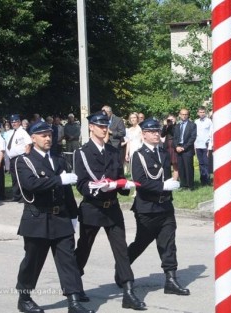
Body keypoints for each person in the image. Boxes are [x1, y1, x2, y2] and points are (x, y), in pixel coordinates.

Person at [14, 121, 94, 313]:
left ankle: (74, 301)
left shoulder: (58, 159)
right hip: (37, 218)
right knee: (33, 261)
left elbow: (66, 192)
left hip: (60, 217)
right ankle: (24, 298)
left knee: (68, 261)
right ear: (33, 138)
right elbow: (31, 184)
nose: (48, 138)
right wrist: (58, 179)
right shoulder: (24, 161)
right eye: (43, 135)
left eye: (49, 134)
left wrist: (73, 215)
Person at [74, 113, 146, 310]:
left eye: (105, 125)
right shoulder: (82, 152)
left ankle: (128, 291)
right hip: (92, 207)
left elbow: (119, 177)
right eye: (99, 125)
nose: (103, 129)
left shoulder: (113, 152)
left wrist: (125, 185)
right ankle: (74, 285)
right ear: (91, 128)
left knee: (121, 250)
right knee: (84, 248)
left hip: (112, 208)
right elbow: (81, 183)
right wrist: (97, 188)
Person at [128, 117, 190, 296]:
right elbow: (140, 181)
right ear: (144, 134)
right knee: (141, 242)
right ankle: (123, 267)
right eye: (152, 131)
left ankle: (171, 280)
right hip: (147, 207)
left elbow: (166, 176)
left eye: (158, 131)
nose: (157, 134)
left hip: (165, 207)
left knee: (168, 243)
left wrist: (170, 186)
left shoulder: (162, 153)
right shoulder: (138, 155)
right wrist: (162, 186)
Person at [6, 114, 32, 202]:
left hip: (20, 157)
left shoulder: (22, 132)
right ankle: (16, 195)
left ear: (19, 122)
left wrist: (25, 156)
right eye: (12, 122)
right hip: (12, 158)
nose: (13, 123)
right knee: (14, 178)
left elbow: (29, 143)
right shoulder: (11, 132)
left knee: (20, 177)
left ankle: (23, 196)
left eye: (15, 121)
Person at [173, 108, 197, 189]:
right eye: (182, 114)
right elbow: (175, 138)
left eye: (185, 114)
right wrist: (176, 146)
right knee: (181, 167)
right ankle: (183, 185)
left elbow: (192, 138)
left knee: (188, 168)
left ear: (188, 115)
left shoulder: (192, 125)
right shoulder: (177, 126)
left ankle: (190, 185)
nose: (184, 116)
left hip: (187, 150)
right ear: (180, 115)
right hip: (178, 149)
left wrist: (184, 147)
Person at [194, 106, 213, 186]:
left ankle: (207, 179)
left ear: (205, 113)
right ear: (198, 113)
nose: (202, 114)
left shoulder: (209, 121)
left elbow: (211, 134)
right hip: (198, 145)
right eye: (200, 112)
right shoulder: (196, 122)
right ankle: (202, 179)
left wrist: (210, 147)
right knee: (201, 163)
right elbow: (195, 134)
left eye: (203, 112)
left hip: (206, 145)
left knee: (206, 163)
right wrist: (194, 146)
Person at [160, 114, 179, 180]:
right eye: (169, 120)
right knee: (167, 163)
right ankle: (169, 179)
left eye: (172, 119)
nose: (170, 121)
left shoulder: (177, 126)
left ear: (175, 119)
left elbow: (174, 133)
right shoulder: (167, 126)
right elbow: (162, 135)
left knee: (175, 164)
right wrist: (165, 125)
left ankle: (175, 180)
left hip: (174, 146)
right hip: (167, 145)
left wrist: (171, 125)